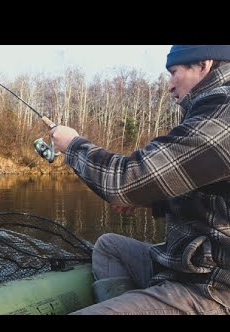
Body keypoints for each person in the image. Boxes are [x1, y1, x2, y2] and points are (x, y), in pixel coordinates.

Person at [50, 45, 230, 315]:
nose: (169, 85)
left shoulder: (224, 114)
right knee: (110, 247)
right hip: (191, 267)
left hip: (214, 287)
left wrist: (73, 145)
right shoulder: (211, 110)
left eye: (174, 72)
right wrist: (153, 201)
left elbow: (122, 182)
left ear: (203, 64)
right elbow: (213, 194)